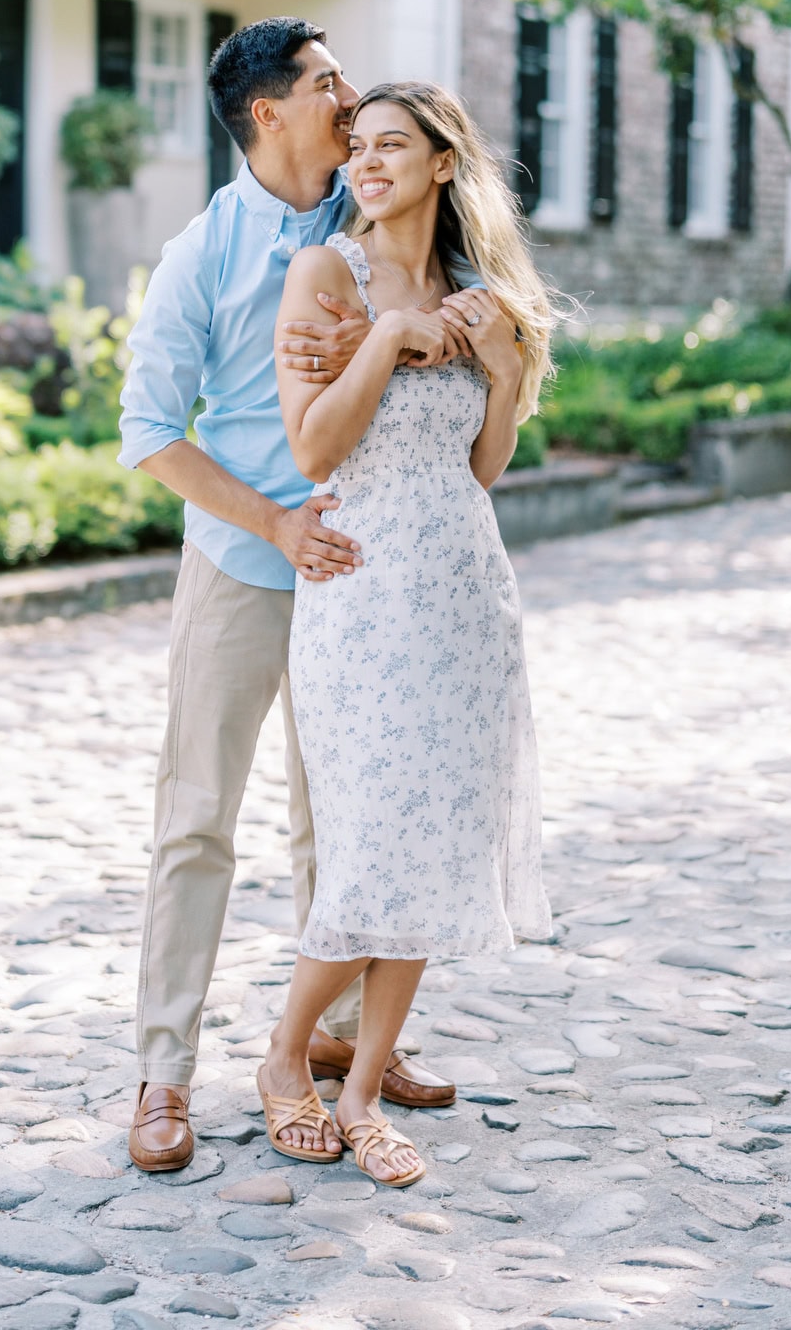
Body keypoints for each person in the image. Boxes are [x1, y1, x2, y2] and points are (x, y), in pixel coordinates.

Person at [118, 22, 470, 1173]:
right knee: (197, 820)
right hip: (241, 562)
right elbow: (146, 434)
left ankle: (336, 1039)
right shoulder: (202, 252)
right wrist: (269, 518)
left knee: (352, 818)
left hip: (366, 571)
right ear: (268, 113)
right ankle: (161, 1074)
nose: (349, 96)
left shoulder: (362, 220)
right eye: (328, 84)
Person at [254, 81, 557, 1185]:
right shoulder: (326, 274)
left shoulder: (479, 294)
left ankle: (368, 1089)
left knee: (431, 844)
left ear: (441, 163)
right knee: (372, 836)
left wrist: (505, 362)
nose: (367, 162)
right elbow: (313, 451)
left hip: (465, 597)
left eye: (393, 146)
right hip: (362, 592)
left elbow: (480, 466)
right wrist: (386, 334)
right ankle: (285, 1057)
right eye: (359, 146)